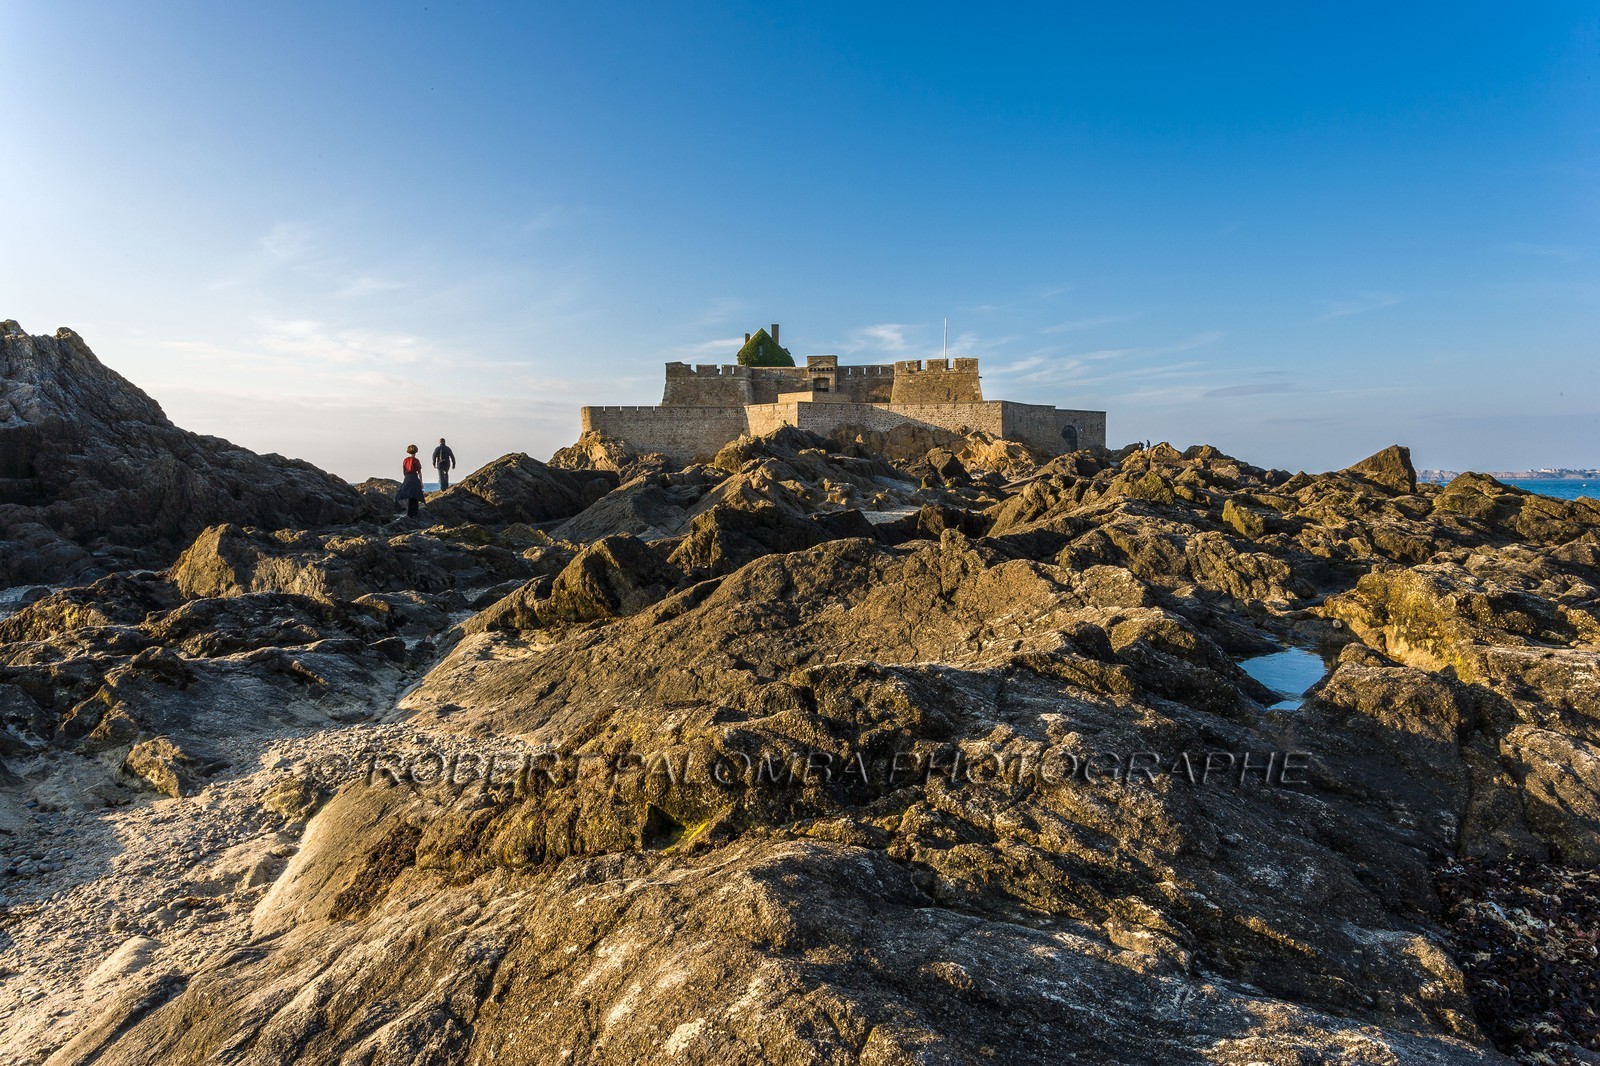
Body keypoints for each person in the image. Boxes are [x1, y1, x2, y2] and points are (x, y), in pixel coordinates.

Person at [399, 444, 426, 518]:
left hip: (407, 477)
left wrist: (406, 478)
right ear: (416, 451)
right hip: (414, 477)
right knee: (415, 495)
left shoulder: (405, 460)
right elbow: (419, 472)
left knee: (406, 494)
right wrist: (421, 482)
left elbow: (404, 470)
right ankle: (413, 514)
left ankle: (408, 513)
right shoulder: (416, 460)